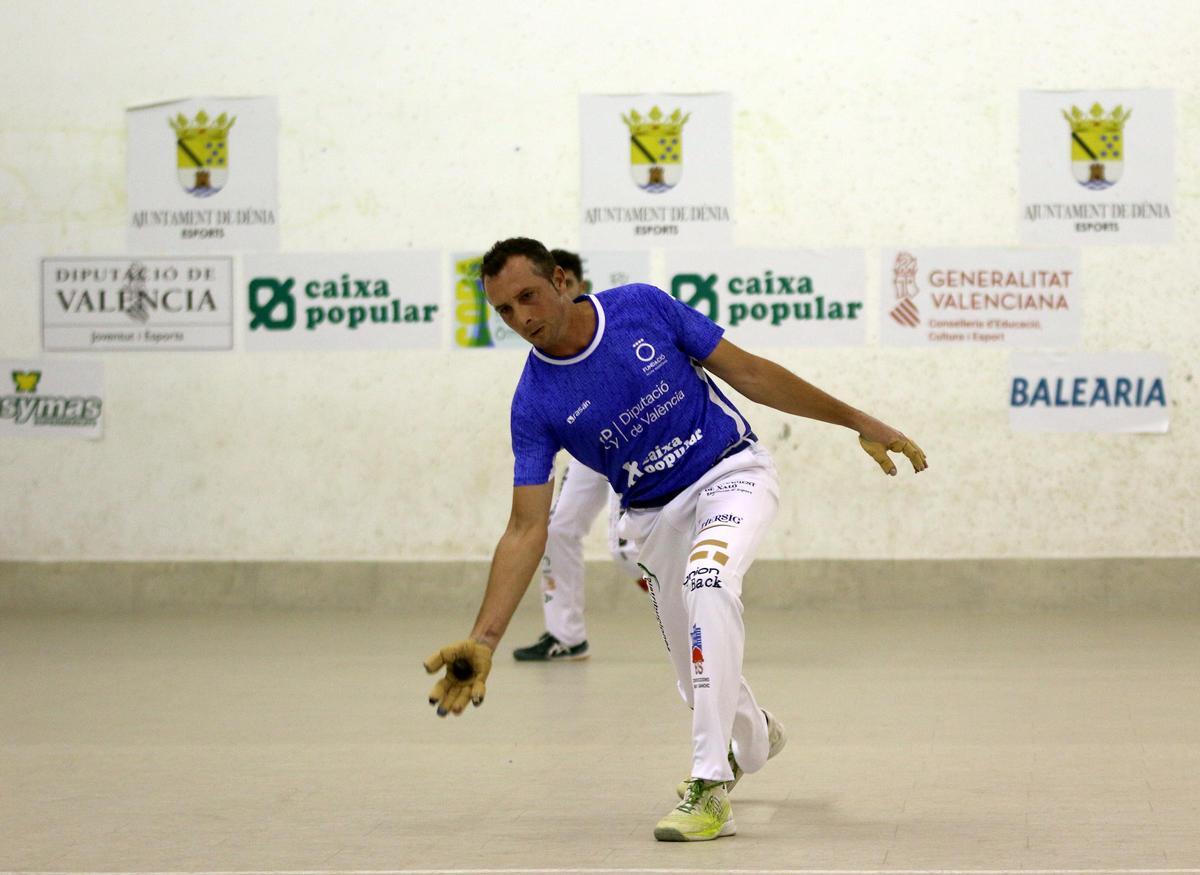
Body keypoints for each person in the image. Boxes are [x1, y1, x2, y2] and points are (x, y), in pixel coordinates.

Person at [424, 237, 927, 842]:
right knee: (698, 676)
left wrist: (860, 421)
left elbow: (750, 373)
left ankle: (710, 786)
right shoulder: (534, 402)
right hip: (651, 521)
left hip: (731, 475)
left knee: (709, 582)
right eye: (504, 311)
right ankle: (755, 734)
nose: (521, 319)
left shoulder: (641, 307)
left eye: (527, 297)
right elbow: (528, 526)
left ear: (561, 280)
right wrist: (484, 640)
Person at [511, 247, 647, 663]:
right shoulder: (544, 358)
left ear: (573, 286)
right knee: (558, 528)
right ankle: (566, 637)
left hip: (637, 447)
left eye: (567, 284)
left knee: (627, 552)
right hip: (591, 451)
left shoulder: (615, 324)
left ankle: (703, 599)